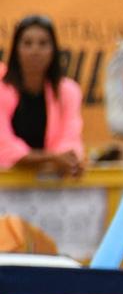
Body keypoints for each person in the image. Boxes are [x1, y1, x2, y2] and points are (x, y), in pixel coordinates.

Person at [0, 15, 84, 176]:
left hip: (49, 187)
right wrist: (52, 158)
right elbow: (3, 145)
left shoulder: (68, 91)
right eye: (27, 43)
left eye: (43, 43)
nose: (35, 51)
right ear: (15, 49)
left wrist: (67, 159)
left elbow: (70, 140)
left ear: (54, 50)